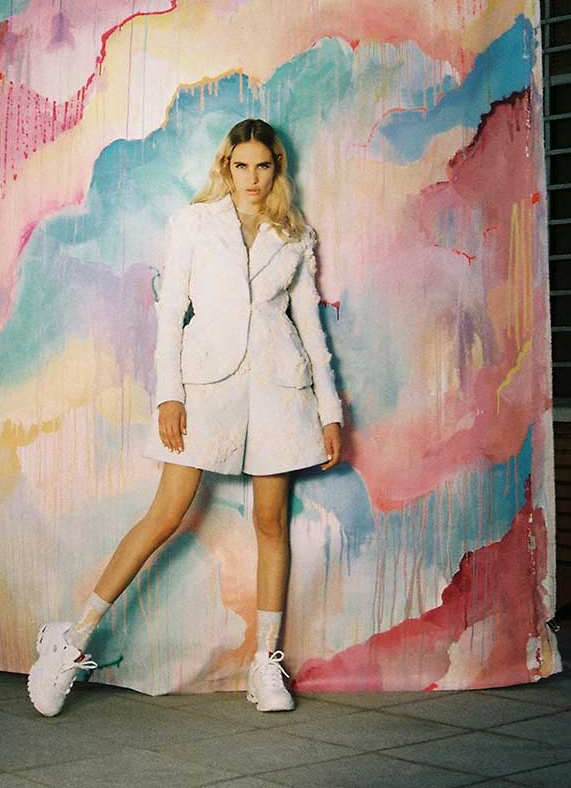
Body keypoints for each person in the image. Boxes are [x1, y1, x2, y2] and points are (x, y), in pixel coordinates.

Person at [28, 118, 343, 717]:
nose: (252, 178)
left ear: (276, 168)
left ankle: (265, 662)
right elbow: (171, 311)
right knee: (166, 514)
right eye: (241, 165)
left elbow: (310, 324)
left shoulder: (296, 235)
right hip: (205, 385)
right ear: (226, 166)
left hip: (278, 388)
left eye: (263, 166)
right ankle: (71, 639)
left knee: (271, 521)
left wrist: (330, 411)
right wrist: (168, 396)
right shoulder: (194, 224)